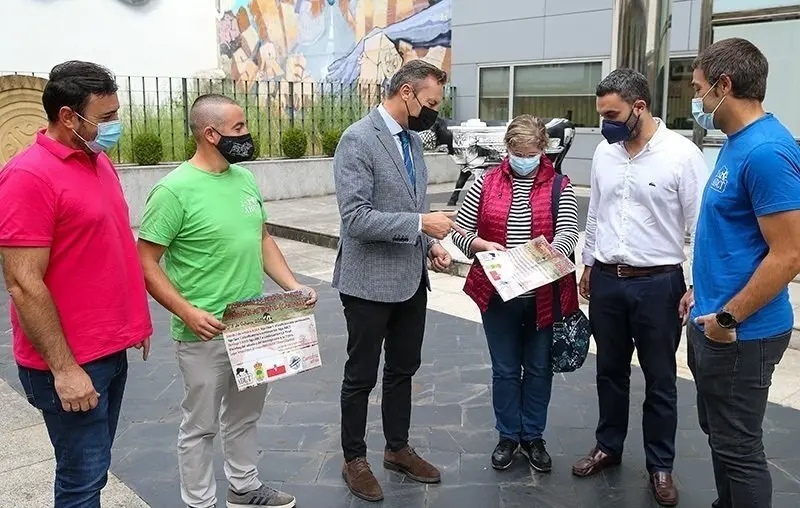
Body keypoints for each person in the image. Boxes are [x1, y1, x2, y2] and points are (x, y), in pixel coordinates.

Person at [137, 94, 314, 508]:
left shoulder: (244, 179)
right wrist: (187, 311)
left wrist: (292, 286)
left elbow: (261, 238)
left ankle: (244, 486)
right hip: (204, 331)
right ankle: (199, 501)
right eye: (239, 129)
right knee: (199, 426)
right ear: (210, 133)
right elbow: (145, 262)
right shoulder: (173, 191)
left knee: (245, 415)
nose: (247, 136)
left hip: (254, 324)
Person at [0, 60, 152, 507]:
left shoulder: (97, 161)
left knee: (95, 468)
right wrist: (65, 371)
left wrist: (135, 323)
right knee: (81, 479)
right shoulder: (27, 177)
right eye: (106, 117)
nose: (115, 126)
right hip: (70, 362)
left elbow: (110, 250)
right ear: (69, 116)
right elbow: (23, 284)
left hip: (109, 350)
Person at [574, 68, 709, 507]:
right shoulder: (604, 153)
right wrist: (588, 263)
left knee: (660, 378)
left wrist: (692, 283)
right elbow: (595, 211)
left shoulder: (682, 155)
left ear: (639, 107)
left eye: (611, 114)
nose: (604, 123)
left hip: (659, 285)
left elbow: (699, 227)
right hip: (609, 282)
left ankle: (660, 465)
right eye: (600, 114)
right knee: (609, 372)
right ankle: (608, 446)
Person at [333, 59, 459, 502]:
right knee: (360, 376)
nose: (434, 113)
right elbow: (356, 218)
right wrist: (422, 224)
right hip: (367, 282)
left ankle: (397, 448)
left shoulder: (413, 142)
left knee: (403, 369)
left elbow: (412, 205)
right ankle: (354, 458)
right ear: (406, 93)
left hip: (410, 280)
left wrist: (430, 245)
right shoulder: (357, 140)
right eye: (431, 102)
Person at [687, 38, 800, 508]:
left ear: (723, 85)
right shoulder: (737, 144)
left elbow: (790, 254)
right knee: (721, 437)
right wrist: (700, 295)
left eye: (697, 88)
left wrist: (727, 321)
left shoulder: (768, 152)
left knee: (739, 448)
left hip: (741, 335)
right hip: (715, 322)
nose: (695, 100)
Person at [451, 115, 580, 472]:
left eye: (533, 151)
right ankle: (508, 435)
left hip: (542, 294)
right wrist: (480, 244)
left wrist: (539, 259)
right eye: (519, 152)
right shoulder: (484, 182)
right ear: (507, 149)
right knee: (506, 369)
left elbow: (568, 234)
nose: (526, 158)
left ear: (544, 149)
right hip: (498, 296)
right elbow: (460, 232)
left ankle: (533, 437)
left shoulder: (558, 184)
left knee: (538, 368)